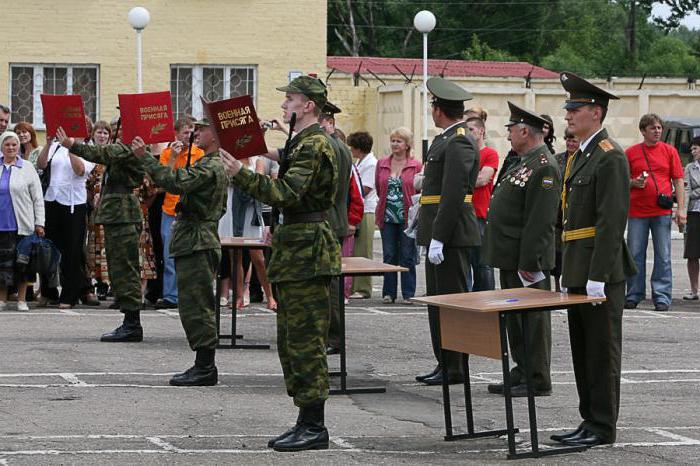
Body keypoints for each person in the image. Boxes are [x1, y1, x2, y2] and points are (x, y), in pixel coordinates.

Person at [221, 75, 340, 452]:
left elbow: (288, 192)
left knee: (305, 341)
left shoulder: (315, 143)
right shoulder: (301, 141)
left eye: (290, 99)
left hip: (308, 252)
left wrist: (242, 174)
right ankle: (305, 419)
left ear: (308, 106)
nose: (284, 105)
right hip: (296, 247)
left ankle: (314, 425)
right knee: (291, 341)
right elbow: (286, 169)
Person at [550, 71, 637, 447]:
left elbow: (610, 221)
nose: (567, 115)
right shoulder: (579, 157)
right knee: (583, 350)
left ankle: (602, 426)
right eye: (568, 108)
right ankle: (589, 419)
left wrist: (599, 275)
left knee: (601, 351)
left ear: (595, 113)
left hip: (600, 271)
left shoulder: (609, 157)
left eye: (575, 108)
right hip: (576, 267)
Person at [136, 118, 227, 386]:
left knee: (198, 306)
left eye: (203, 129)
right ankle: (203, 364)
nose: (196, 132)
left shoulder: (210, 166)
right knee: (193, 305)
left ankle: (205, 366)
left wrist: (147, 159)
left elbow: (174, 182)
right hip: (194, 238)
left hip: (198, 240)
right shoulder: (206, 163)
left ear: (216, 134)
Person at [482, 102, 561, 398]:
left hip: (526, 260)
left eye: (512, 130)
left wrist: (530, 262)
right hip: (510, 256)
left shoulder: (544, 166)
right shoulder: (523, 161)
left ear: (525, 131)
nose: (508, 136)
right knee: (515, 318)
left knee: (532, 319)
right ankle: (522, 368)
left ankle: (537, 376)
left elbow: (540, 221)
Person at [415, 77, 480, 386]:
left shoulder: (460, 140)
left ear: (438, 109)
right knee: (439, 302)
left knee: (452, 303)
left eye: (432, 105)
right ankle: (444, 361)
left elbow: (454, 193)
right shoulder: (446, 139)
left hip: (451, 236)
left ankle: (455, 367)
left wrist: (439, 235)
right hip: (439, 233)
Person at [55, 126, 146, 342]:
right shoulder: (126, 150)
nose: (116, 132)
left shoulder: (125, 150)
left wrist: (72, 145)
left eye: (119, 129)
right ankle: (130, 320)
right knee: (119, 267)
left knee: (125, 268)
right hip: (118, 215)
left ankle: (132, 323)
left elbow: (100, 153)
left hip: (122, 216)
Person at [624, 114, 685, 312]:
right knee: (635, 255)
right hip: (636, 211)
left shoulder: (670, 151)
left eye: (659, 128)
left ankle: (662, 297)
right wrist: (633, 182)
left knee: (664, 255)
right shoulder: (631, 153)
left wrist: (681, 209)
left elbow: (678, 181)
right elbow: (621, 180)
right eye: (653, 128)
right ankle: (633, 294)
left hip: (662, 211)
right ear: (643, 131)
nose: (657, 131)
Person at [36, 130, 95, 309]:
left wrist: (72, 148)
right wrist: (47, 143)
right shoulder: (55, 146)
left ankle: (70, 294)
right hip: (52, 199)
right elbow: (41, 165)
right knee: (48, 248)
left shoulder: (88, 148)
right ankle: (49, 292)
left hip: (73, 203)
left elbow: (80, 170)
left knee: (72, 251)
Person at [157, 118, 204, 309]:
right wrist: (174, 157)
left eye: (192, 131)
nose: (189, 135)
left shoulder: (199, 154)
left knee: (191, 255)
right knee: (169, 255)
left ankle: (190, 295)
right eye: (185, 132)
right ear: (176, 134)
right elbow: (162, 179)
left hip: (192, 211)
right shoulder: (167, 153)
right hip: (170, 210)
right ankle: (170, 295)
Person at [375, 127, 422, 305]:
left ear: (407, 145)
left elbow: (419, 188)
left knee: (407, 255)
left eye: (399, 141)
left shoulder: (416, 165)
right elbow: (380, 190)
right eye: (393, 140)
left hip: (408, 217)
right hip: (387, 216)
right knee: (389, 255)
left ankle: (409, 293)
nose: (395, 144)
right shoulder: (382, 163)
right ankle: (389, 293)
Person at [319, 102, 352, 354]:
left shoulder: (328, 145)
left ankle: (333, 337)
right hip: (335, 220)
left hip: (327, 220)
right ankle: (332, 336)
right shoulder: (341, 146)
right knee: (329, 282)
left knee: (328, 284)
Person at [0, 131, 44, 312]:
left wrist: (39, 222)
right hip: (2, 225)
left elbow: (38, 198)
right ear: (2, 147)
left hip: (22, 224)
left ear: (19, 147)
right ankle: (2, 299)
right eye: (7, 144)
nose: (11, 148)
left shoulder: (27, 167)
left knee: (23, 264)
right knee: (2, 265)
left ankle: (22, 300)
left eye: (14, 145)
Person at [465, 117, 497, 291]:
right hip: (464, 213)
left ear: (481, 131)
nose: (468, 132)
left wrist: (460, 179)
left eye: (471, 129)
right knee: (465, 263)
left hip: (479, 214)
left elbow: (483, 179)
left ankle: (486, 297)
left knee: (482, 262)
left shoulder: (489, 153)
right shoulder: (464, 153)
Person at [347, 131, 377, 299]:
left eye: (353, 147)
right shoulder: (360, 161)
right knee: (355, 250)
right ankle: (354, 286)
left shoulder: (371, 164)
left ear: (359, 148)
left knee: (363, 251)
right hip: (358, 210)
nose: (351, 150)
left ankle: (364, 288)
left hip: (367, 210)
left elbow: (364, 188)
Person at [85, 121, 112, 299]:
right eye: (99, 132)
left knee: (106, 245)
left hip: (108, 207)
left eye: (105, 133)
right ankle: (95, 281)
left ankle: (107, 283)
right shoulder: (88, 154)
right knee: (92, 245)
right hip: (91, 206)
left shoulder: (111, 154)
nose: (102, 136)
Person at [552, 129, 580, 292]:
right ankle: (557, 286)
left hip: (574, 211)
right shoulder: (558, 159)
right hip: (557, 212)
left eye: (573, 140)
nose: (570, 143)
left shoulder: (583, 159)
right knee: (557, 252)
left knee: (573, 251)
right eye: (568, 140)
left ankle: (571, 283)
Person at [683, 137, 700, 300]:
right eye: (692, 149)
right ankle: (694, 290)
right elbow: (686, 190)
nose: (692, 151)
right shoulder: (689, 168)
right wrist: (683, 211)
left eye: (695, 148)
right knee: (692, 253)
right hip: (694, 213)